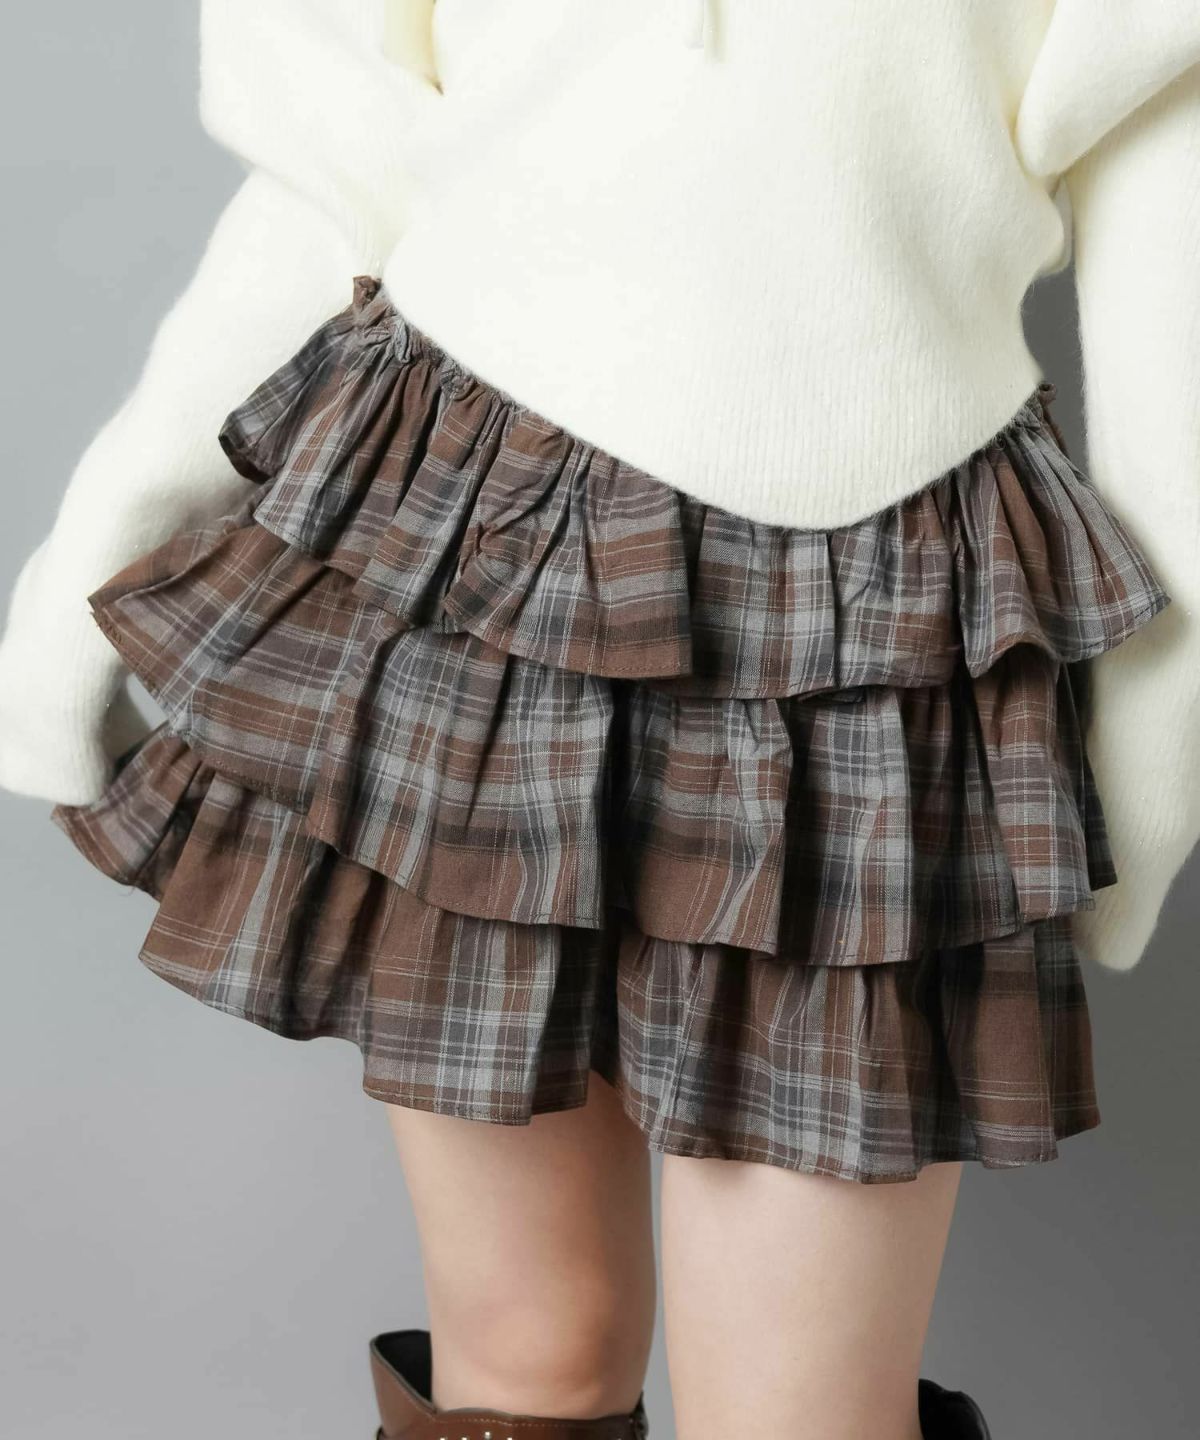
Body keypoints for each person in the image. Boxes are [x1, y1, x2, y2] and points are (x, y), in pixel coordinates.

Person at [2, 5, 1198, 1438]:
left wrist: (1144, 791)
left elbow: (1177, 325)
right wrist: (79, 578)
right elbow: (333, 184)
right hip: (477, 577)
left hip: (867, 650)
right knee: (531, 1360)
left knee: (800, 1417)